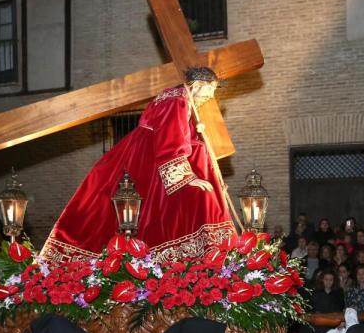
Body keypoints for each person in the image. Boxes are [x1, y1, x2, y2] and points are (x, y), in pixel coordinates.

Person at [41, 67, 235, 264]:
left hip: (144, 153)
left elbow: (181, 137)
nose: (210, 97)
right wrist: (187, 178)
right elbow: (170, 141)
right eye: (210, 90)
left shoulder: (178, 97)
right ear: (198, 85)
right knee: (192, 199)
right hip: (148, 159)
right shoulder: (177, 101)